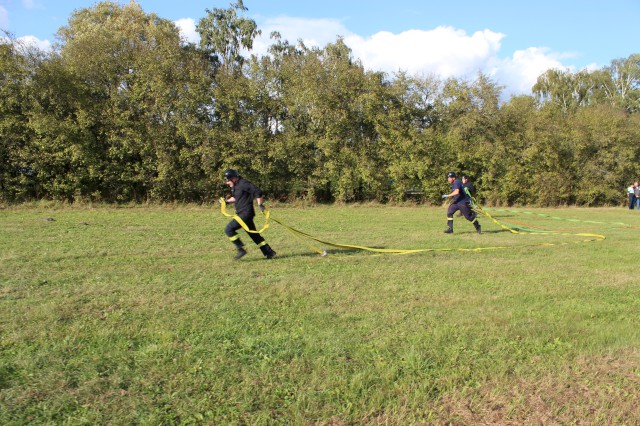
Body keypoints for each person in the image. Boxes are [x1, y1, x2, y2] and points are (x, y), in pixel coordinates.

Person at [222, 169, 277, 260]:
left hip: (245, 213)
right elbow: (236, 198)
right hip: (243, 213)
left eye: (228, 180)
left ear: (234, 178)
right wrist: (226, 202)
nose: (227, 183)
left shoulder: (243, 183)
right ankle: (269, 252)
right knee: (254, 235)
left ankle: (240, 249)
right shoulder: (236, 186)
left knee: (229, 229)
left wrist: (260, 204)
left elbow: (257, 191)